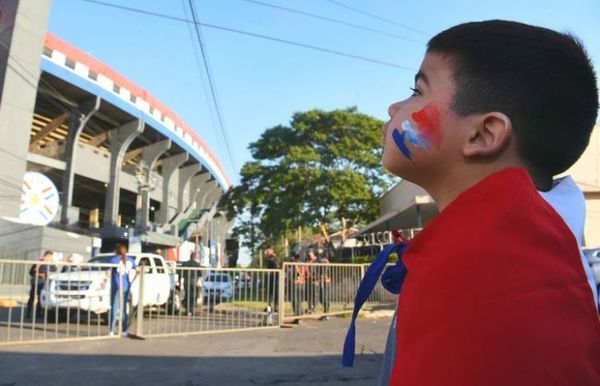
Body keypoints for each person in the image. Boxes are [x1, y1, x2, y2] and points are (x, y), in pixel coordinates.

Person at [345, 20, 600, 385]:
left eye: (416, 91)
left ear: (483, 134)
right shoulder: (507, 245)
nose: (393, 107)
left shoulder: (493, 268)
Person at [105, 244, 137, 336]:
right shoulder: (130, 260)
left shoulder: (114, 260)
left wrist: (105, 279)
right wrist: (131, 281)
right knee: (123, 309)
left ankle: (111, 330)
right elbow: (137, 271)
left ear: (116, 251)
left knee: (114, 308)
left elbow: (108, 271)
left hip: (116, 286)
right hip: (126, 286)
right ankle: (124, 330)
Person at [26, 250, 55, 319]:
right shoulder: (40, 262)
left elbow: (54, 269)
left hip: (43, 282)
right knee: (32, 297)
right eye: (48, 256)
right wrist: (38, 274)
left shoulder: (49, 264)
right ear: (45, 256)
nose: (49, 258)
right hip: (36, 281)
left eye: (50, 257)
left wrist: (52, 262)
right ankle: (28, 313)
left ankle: (38, 314)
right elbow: (31, 272)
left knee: (40, 298)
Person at [286, 251, 306, 316]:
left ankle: (298, 313)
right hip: (300, 284)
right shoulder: (299, 263)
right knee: (297, 301)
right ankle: (299, 313)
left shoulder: (297, 264)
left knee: (296, 300)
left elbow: (299, 273)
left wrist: (297, 280)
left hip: (297, 284)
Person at [305, 249, 319, 313]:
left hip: (314, 280)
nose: (309, 255)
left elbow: (317, 271)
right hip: (308, 280)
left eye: (311, 254)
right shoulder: (308, 261)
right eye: (309, 254)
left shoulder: (316, 261)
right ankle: (310, 307)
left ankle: (313, 307)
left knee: (314, 295)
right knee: (309, 295)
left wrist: (317, 280)